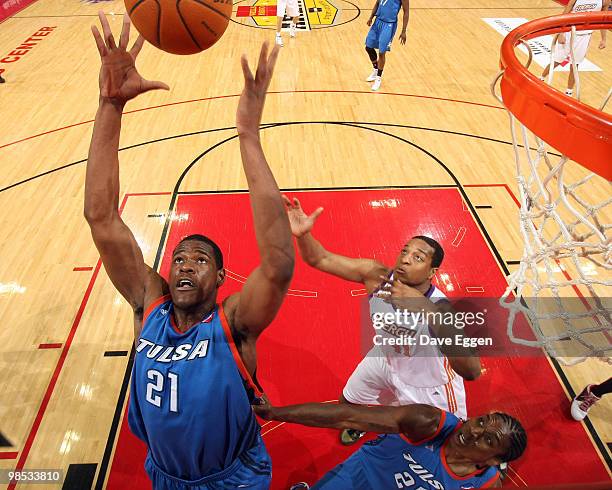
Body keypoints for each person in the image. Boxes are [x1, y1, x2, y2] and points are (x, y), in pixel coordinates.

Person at [85, 12, 293, 489]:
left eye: (200, 261)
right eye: (179, 257)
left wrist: (248, 137)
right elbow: (101, 217)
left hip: (232, 479)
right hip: (166, 477)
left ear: (221, 279)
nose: (184, 265)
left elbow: (278, 265)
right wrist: (109, 106)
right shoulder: (149, 307)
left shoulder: (233, 324)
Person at [283, 197, 481, 446]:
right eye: (405, 251)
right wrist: (303, 236)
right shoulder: (377, 276)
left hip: (428, 385)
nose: (406, 259)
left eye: (418, 258)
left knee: (444, 442)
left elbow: (471, 371)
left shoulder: (441, 308)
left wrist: (424, 308)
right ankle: (359, 426)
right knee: (348, 402)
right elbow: (320, 259)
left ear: (432, 273)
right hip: (385, 359)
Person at [253, 397, 527, 489]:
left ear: (493, 460)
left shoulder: (487, 483)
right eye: (480, 422)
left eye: (488, 439)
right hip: (355, 479)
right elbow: (349, 416)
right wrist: (276, 413)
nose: (474, 431)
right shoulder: (429, 422)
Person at [541, 0, 609, 97]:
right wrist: (561, 33)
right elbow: (564, 14)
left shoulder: (604, 1)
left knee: (575, 65)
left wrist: (603, 39)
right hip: (569, 32)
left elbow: (603, 20)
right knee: (557, 60)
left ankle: (569, 91)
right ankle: (542, 78)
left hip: (585, 35)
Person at [364, 0, 409, 91]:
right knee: (368, 47)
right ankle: (376, 69)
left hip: (389, 25)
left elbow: (406, 12)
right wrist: (371, 17)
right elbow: (377, 3)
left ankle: (378, 79)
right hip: (377, 22)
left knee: (381, 52)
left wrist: (404, 31)